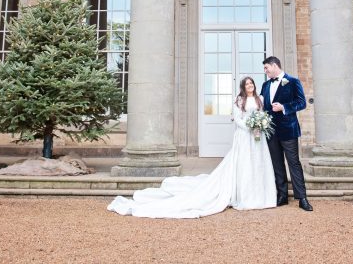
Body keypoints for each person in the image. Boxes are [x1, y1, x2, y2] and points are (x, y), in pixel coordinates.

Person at [107, 77, 276, 218]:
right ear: (243, 87)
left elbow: (262, 115)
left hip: (258, 138)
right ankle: (245, 196)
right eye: (247, 84)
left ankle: (259, 195)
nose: (250, 86)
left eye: (251, 83)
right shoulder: (239, 100)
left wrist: (260, 125)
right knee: (244, 165)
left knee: (258, 165)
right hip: (244, 136)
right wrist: (250, 126)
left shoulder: (259, 98)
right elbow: (238, 119)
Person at [261, 56, 313, 211]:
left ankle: (302, 198)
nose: (265, 71)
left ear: (274, 65)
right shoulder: (265, 85)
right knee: (277, 164)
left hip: (288, 130)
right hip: (270, 131)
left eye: (266, 68)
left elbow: (301, 103)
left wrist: (284, 107)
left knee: (294, 163)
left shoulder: (293, 81)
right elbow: (262, 106)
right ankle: (282, 195)